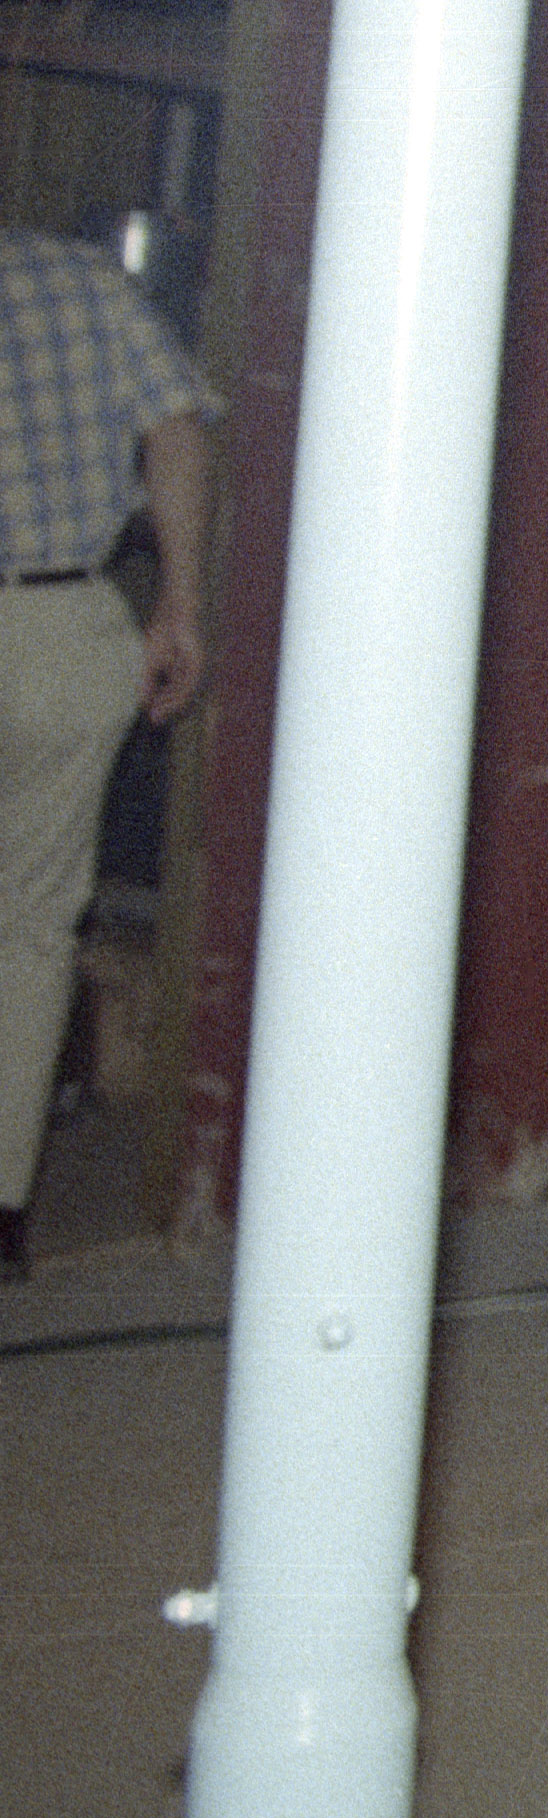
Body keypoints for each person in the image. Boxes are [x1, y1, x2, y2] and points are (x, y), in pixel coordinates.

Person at [1, 232, 213, 1280]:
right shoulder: (79, 280)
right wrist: (180, 601)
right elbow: (175, 426)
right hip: (65, 624)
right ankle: (0, 1209)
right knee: (33, 926)